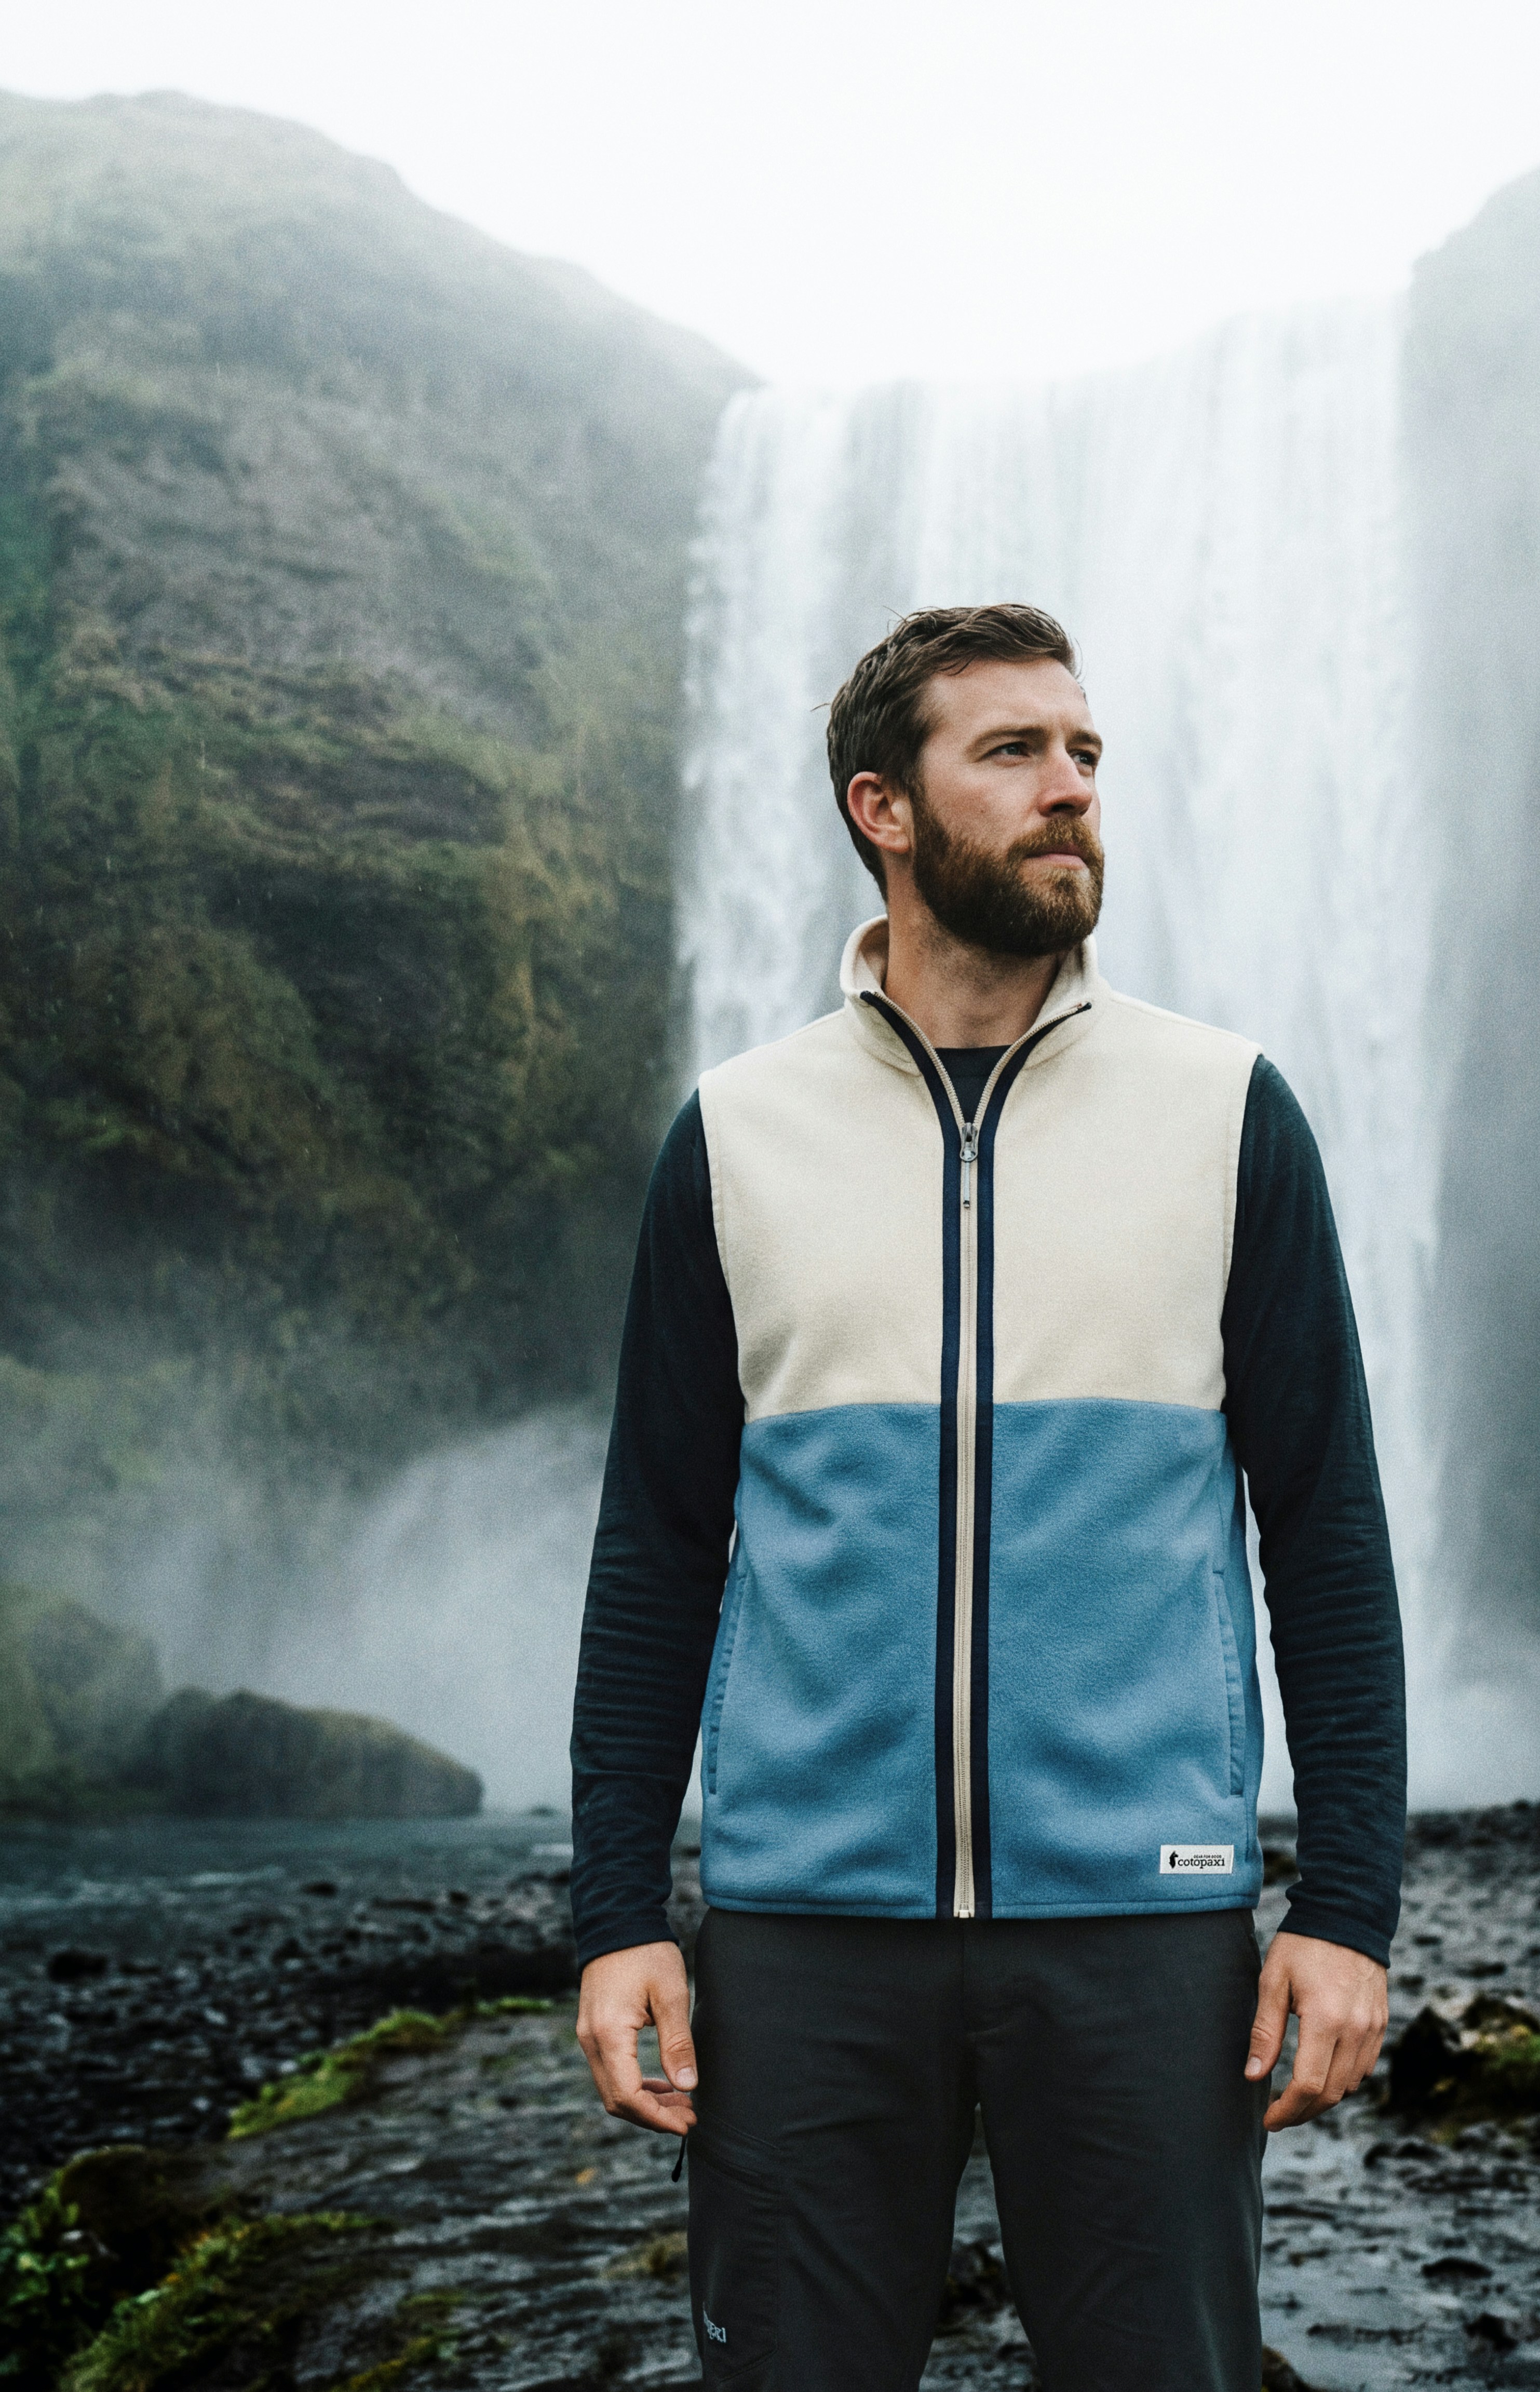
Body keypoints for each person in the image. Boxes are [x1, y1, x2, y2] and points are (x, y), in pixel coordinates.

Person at [570, 602, 1406, 2391]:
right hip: (802, 1938)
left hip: (1145, 1925)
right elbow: (657, 1544)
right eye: (1013, 754)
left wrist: (1345, 1909)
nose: (1070, 792)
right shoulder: (734, 1133)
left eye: (1087, 754)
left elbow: (1325, 1534)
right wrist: (620, 1914)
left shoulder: (1228, 1110)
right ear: (884, 805)